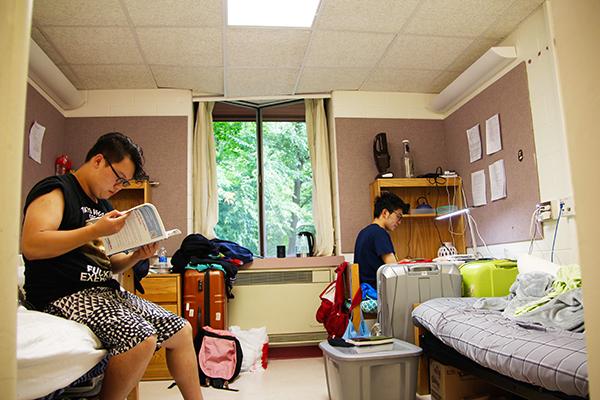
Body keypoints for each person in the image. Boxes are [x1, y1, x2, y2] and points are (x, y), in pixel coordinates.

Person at [21, 132, 203, 400]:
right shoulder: (57, 190)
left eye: (125, 182)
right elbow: (32, 245)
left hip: (105, 292)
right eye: (118, 178)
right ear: (98, 160)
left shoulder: (103, 205)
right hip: (63, 293)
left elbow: (107, 263)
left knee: (181, 330)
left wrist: (136, 256)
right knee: (141, 339)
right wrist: (94, 229)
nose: (119, 187)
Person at [353, 191, 409, 288]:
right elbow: (393, 269)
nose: (399, 222)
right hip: (377, 291)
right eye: (398, 217)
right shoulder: (380, 233)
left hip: (365, 289)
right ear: (385, 213)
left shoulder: (365, 232)